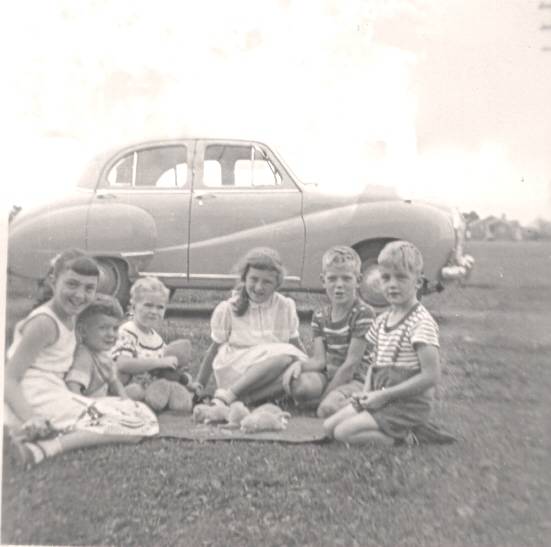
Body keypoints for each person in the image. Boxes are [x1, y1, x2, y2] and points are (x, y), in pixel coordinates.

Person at [4, 250, 158, 468]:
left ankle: (41, 438)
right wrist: (30, 418)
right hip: (33, 400)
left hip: (54, 394)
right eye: (72, 284)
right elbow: (9, 379)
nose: (79, 295)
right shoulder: (44, 323)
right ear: (53, 280)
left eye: (89, 288)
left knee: (136, 412)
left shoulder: (71, 316)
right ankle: (42, 449)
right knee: (137, 425)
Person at [324, 241, 444, 445]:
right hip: (381, 398)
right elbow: (375, 364)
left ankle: (409, 436)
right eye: (386, 278)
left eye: (401, 278)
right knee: (328, 427)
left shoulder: (421, 323)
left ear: (418, 282)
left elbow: (431, 375)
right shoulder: (382, 320)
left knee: (343, 433)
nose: (392, 284)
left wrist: (385, 396)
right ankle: (386, 425)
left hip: (406, 405)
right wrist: (366, 394)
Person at [192, 247, 307, 406]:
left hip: (270, 371)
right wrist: (199, 384)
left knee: (297, 372)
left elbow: (295, 343)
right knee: (285, 358)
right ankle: (230, 393)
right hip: (237, 368)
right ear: (244, 278)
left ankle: (244, 399)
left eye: (267, 282)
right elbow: (213, 349)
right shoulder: (229, 308)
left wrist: (307, 366)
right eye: (254, 279)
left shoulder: (285, 306)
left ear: (277, 284)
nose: (259, 287)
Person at [282, 246, 375, 418]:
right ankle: (331, 401)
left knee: (327, 409)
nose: (339, 285)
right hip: (329, 375)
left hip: (357, 379)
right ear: (323, 280)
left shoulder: (363, 313)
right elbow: (319, 360)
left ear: (359, 280)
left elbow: (351, 364)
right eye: (332, 279)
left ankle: (361, 403)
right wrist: (299, 366)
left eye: (346, 278)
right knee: (300, 386)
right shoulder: (320, 315)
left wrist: (324, 396)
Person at [112, 276, 193, 412]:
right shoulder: (127, 331)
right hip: (127, 388)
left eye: (160, 307)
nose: (154, 311)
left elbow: (168, 370)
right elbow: (123, 364)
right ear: (133, 307)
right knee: (135, 392)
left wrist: (189, 382)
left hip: (155, 392)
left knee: (178, 391)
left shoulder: (157, 339)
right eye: (148, 305)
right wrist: (159, 362)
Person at [65, 294, 128, 398]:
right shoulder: (84, 356)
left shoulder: (102, 354)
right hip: (88, 408)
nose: (111, 334)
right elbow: (73, 388)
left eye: (115, 328)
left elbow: (114, 382)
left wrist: (126, 401)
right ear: (83, 331)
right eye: (103, 328)